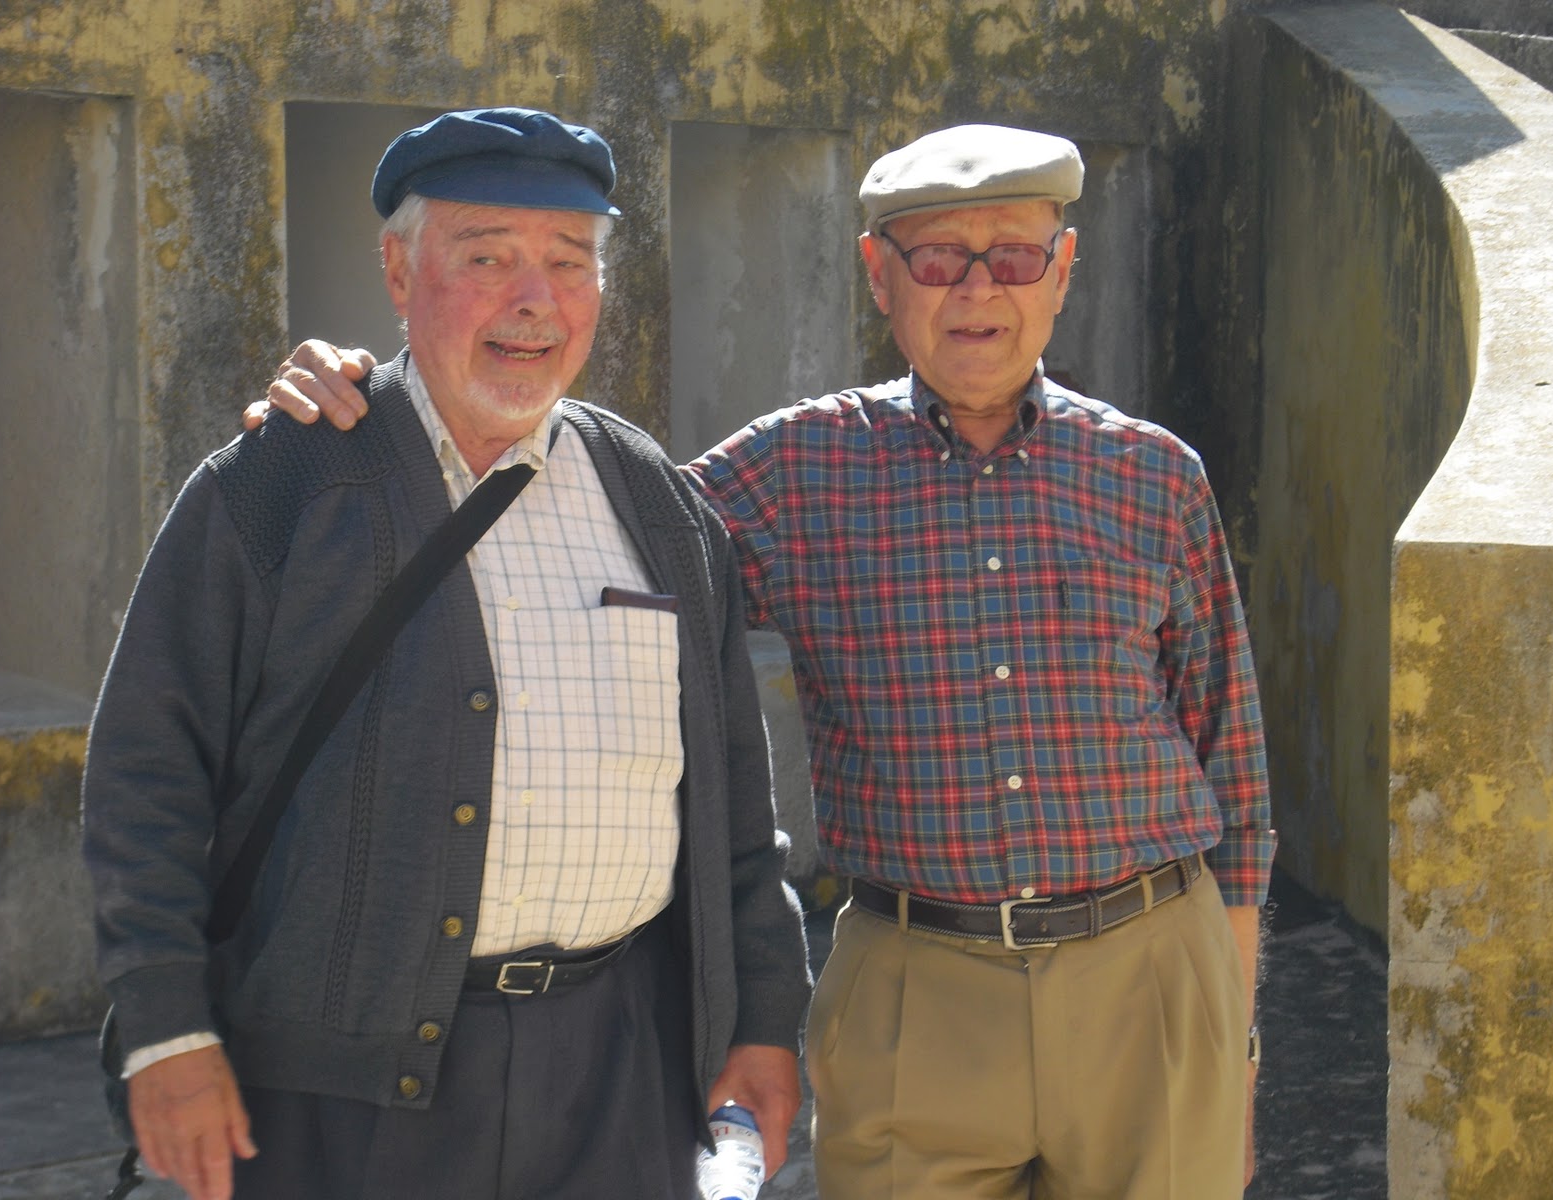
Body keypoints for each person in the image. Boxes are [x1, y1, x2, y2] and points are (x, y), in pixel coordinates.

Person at [261, 122, 1274, 1200]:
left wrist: (1231, 1028)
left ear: (1061, 271)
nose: (979, 289)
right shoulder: (795, 468)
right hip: (913, 988)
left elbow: (1232, 761)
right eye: (939, 257)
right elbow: (558, 521)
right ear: (880, 275)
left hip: (1151, 970)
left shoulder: (1154, 475)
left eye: (1015, 256)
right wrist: (375, 402)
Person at [84, 107, 810, 1200]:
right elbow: (146, 773)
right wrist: (165, 1031)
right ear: (397, 269)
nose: (535, 299)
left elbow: (736, 808)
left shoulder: (658, 502)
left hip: (621, 1076)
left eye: (569, 260)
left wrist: (760, 1018)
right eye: (486, 257)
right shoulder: (282, 480)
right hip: (340, 1096)